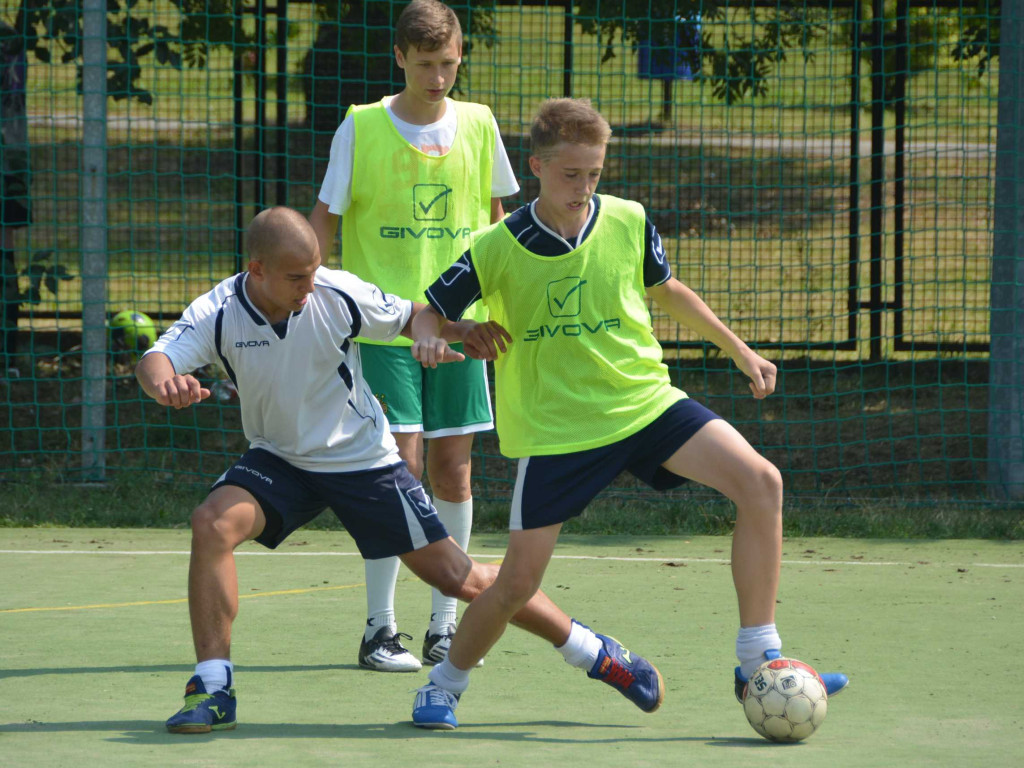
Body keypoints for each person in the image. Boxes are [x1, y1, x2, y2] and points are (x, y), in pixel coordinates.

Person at [407, 98, 850, 729]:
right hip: (559, 431)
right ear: (535, 166)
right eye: (570, 175)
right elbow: (429, 310)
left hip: (645, 403)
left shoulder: (628, 219)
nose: (584, 188)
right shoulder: (496, 246)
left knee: (761, 481)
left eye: (594, 173)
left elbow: (666, 290)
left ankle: (758, 658)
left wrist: (739, 350)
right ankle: (444, 685)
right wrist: (434, 334)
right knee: (515, 585)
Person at [138, 206, 663, 734]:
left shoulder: (335, 293)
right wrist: (165, 384)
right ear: (257, 270)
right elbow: (157, 358)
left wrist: (459, 332)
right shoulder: (220, 309)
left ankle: (593, 652)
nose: (308, 285)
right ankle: (212, 686)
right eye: (296, 277)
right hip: (279, 457)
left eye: (314, 271)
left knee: (460, 579)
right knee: (212, 522)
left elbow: (414, 315)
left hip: (361, 460)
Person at [308, 0, 519, 674]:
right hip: (382, 327)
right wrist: (303, 304)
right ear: (399, 57)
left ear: (461, 57)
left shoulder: (481, 126)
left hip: (461, 328)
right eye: (425, 65)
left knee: (453, 469)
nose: (438, 78)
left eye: (449, 65)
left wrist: (503, 312)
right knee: (395, 467)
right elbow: (322, 225)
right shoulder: (362, 127)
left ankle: (446, 626)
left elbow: (498, 231)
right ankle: (379, 630)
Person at [0, 22, 30, 376]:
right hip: (13, 163)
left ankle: (7, 353)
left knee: (6, 253)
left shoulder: (13, 44)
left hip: (9, 165)